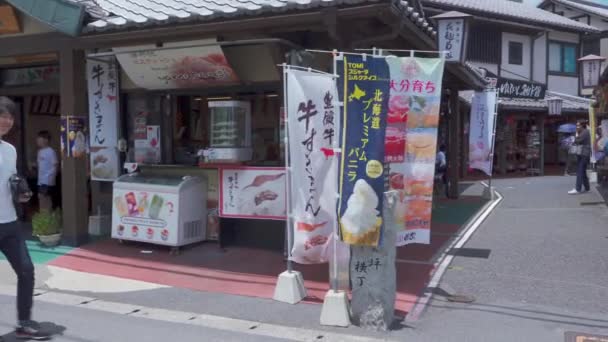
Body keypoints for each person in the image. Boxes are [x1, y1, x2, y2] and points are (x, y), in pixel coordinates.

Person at [0, 96, 51, 340]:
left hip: (9, 223)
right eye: (2, 115)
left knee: (27, 270)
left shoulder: (10, 151)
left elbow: (10, 182)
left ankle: (23, 322)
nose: (6, 121)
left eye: (9, 116)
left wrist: (21, 193)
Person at [35, 131, 58, 211]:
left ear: (46, 140)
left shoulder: (51, 151)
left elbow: (55, 166)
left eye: (39, 139)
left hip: (47, 181)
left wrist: (50, 179)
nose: (37, 141)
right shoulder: (40, 151)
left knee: (45, 200)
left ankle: (47, 219)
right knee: (41, 200)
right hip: (40, 181)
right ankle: (45, 219)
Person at [569, 120, 591, 195]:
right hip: (582, 154)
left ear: (582, 125)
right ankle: (587, 188)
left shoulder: (585, 132)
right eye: (577, 125)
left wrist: (575, 135)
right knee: (583, 171)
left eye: (578, 125)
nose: (577, 127)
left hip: (584, 154)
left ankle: (578, 189)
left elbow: (577, 140)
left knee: (580, 171)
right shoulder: (582, 132)